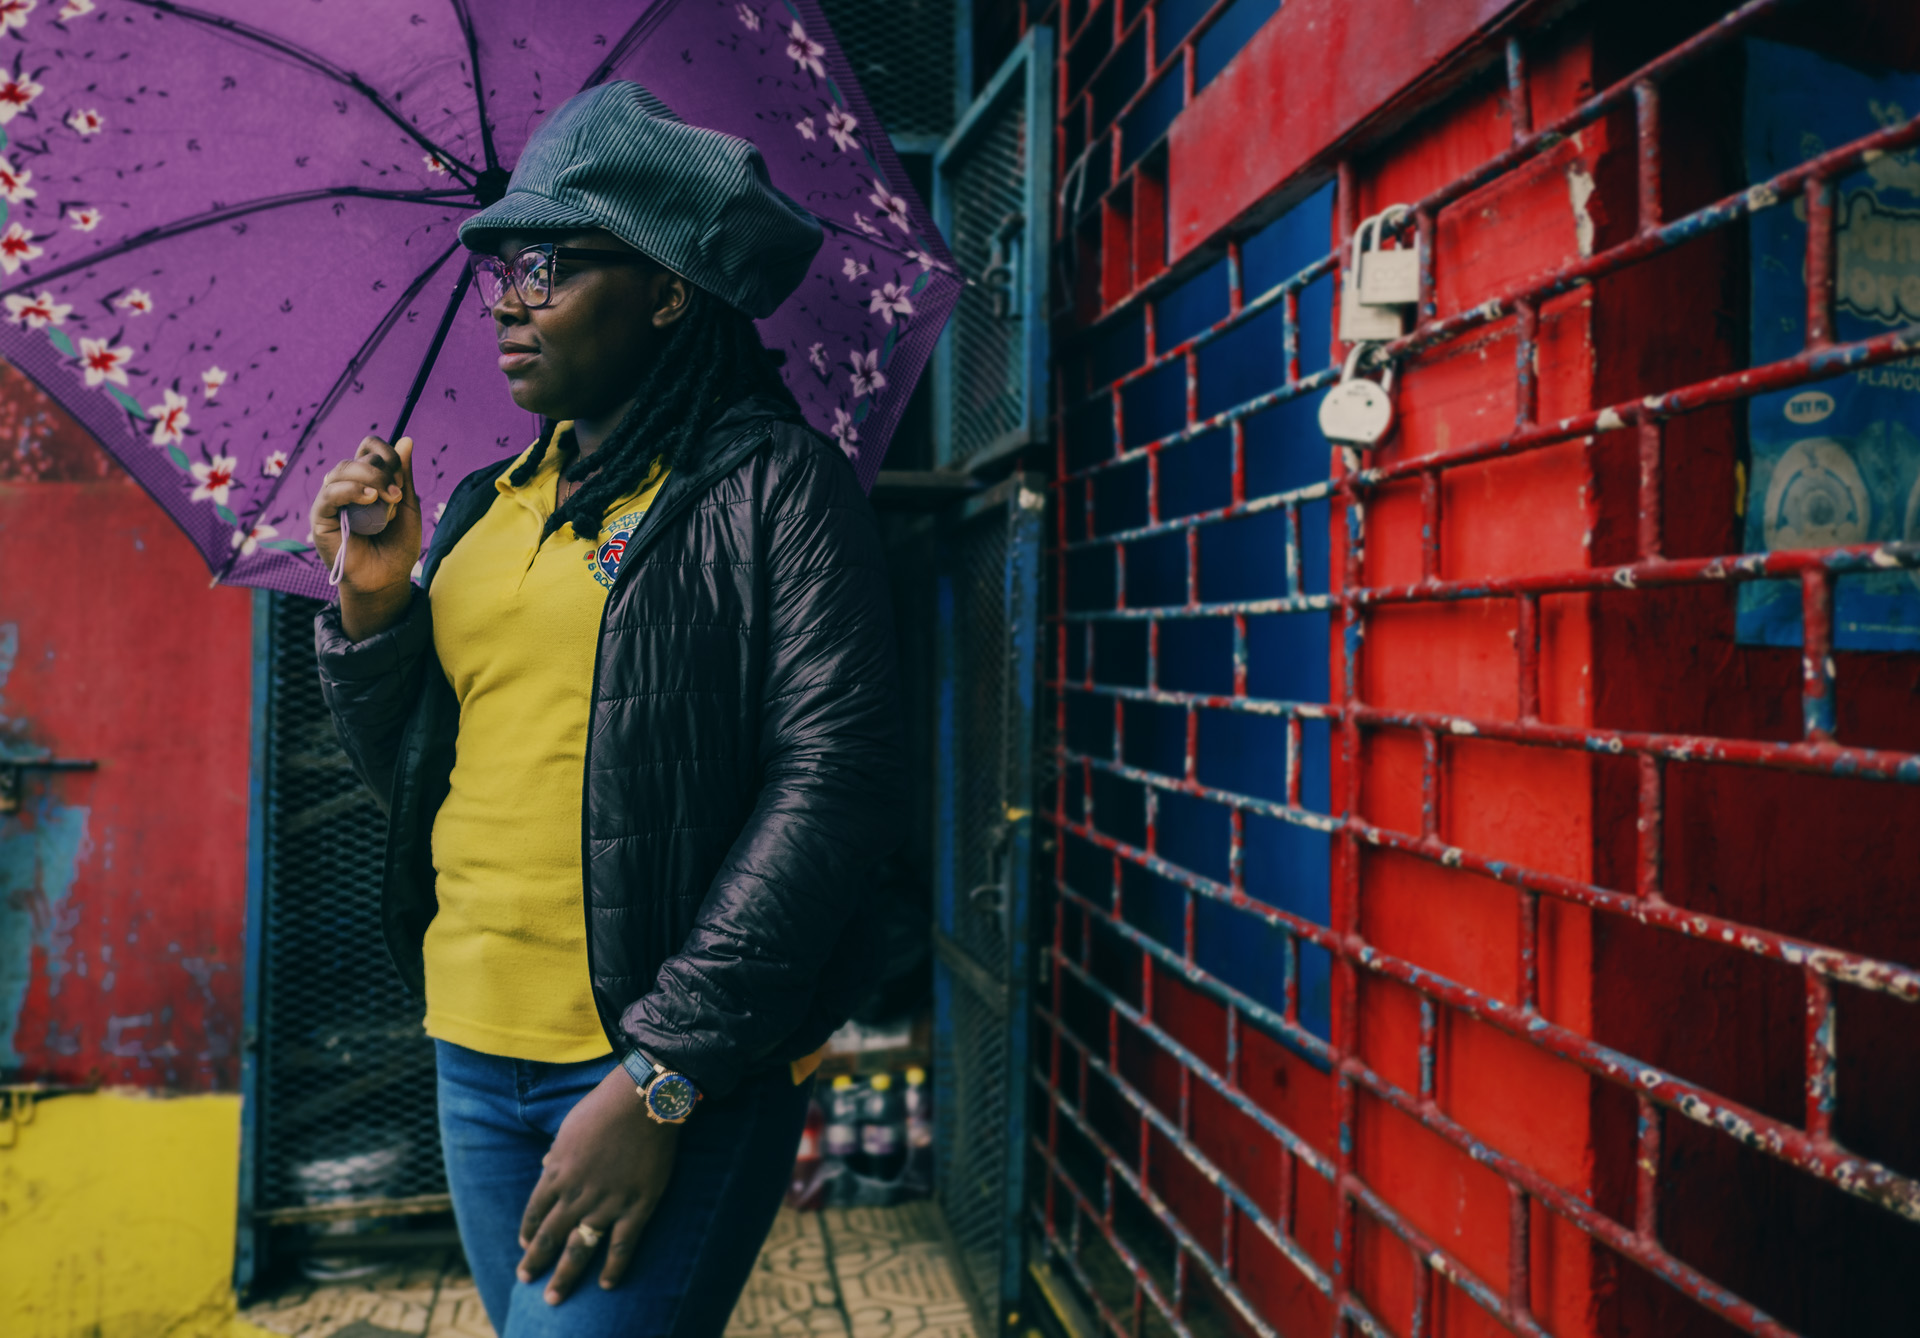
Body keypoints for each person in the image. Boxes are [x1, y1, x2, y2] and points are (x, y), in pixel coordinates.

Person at [308, 81, 902, 1337]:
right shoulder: (477, 503)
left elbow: (830, 787)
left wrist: (662, 1080)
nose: (509, 300)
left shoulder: (774, 489)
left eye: (552, 266)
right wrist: (373, 613)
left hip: (658, 1061)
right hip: (474, 1046)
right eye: (498, 270)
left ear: (669, 289)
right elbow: (422, 771)